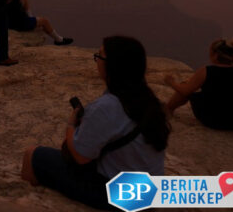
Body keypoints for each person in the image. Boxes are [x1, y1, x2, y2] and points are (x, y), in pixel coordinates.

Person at [21, 36, 170, 210]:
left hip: (124, 197)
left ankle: (29, 202)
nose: (96, 61)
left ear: (113, 66)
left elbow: (80, 156)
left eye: (100, 56)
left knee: (32, 155)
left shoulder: (106, 106)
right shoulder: (149, 100)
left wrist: (71, 126)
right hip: (151, 193)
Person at [165, 38, 233, 130]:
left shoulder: (206, 70)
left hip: (212, 119)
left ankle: (168, 109)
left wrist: (171, 82)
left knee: (185, 86)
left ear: (215, 55)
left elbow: (185, 92)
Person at [8, 0, 73, 46]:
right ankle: (59, 40)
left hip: (9, 21)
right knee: (44, 21)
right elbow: (18, 14)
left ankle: (31, 17)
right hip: (18, 24)